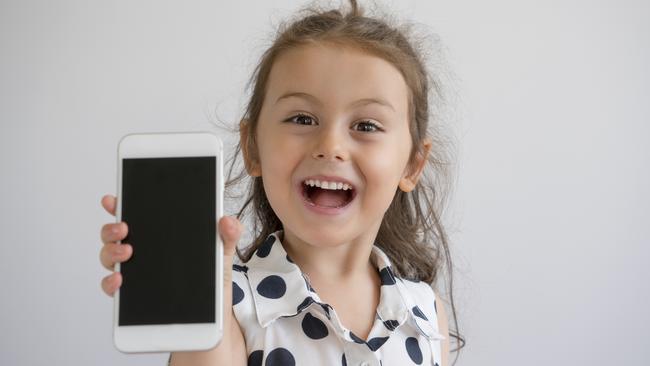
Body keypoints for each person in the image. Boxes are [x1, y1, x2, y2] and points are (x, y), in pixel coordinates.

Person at [99, 0, 465, 364]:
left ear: (412, 165)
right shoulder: (228, 306)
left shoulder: (426, 312)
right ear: (253, 147)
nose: (331, 147)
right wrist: (196, 288)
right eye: (302, 119)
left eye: (366, 126)